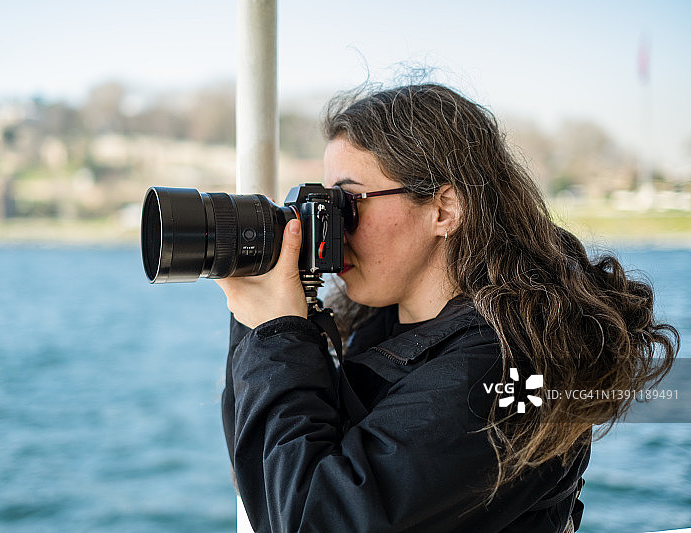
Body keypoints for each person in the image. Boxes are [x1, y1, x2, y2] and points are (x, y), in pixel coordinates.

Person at [217, 82, 679, 532]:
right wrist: (262, 321)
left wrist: (276, 332)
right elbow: (265, 477)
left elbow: (309, 519)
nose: (334, 227)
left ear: (444, 209)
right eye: (326, 204)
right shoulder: (386, 327)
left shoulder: (504, 368)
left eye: (348, 201)